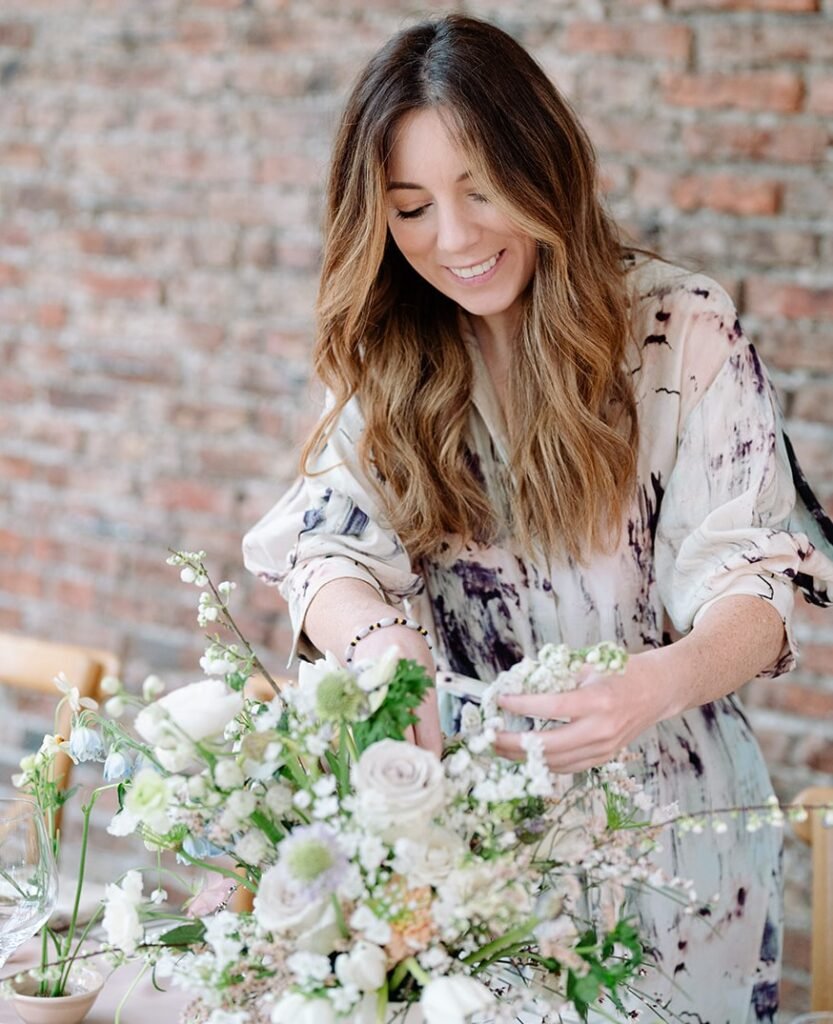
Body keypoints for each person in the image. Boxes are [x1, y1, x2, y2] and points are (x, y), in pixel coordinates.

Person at [242, 14, 833, 1022]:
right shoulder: (387, 347)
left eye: (480, 188)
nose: (456, 237)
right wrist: (386, 650)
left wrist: (654, 684)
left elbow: (761, 582)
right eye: (413, 206)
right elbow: (323, 544)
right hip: (462, 836)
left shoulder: (678, 328)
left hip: (675, 842)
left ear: (542, 166)